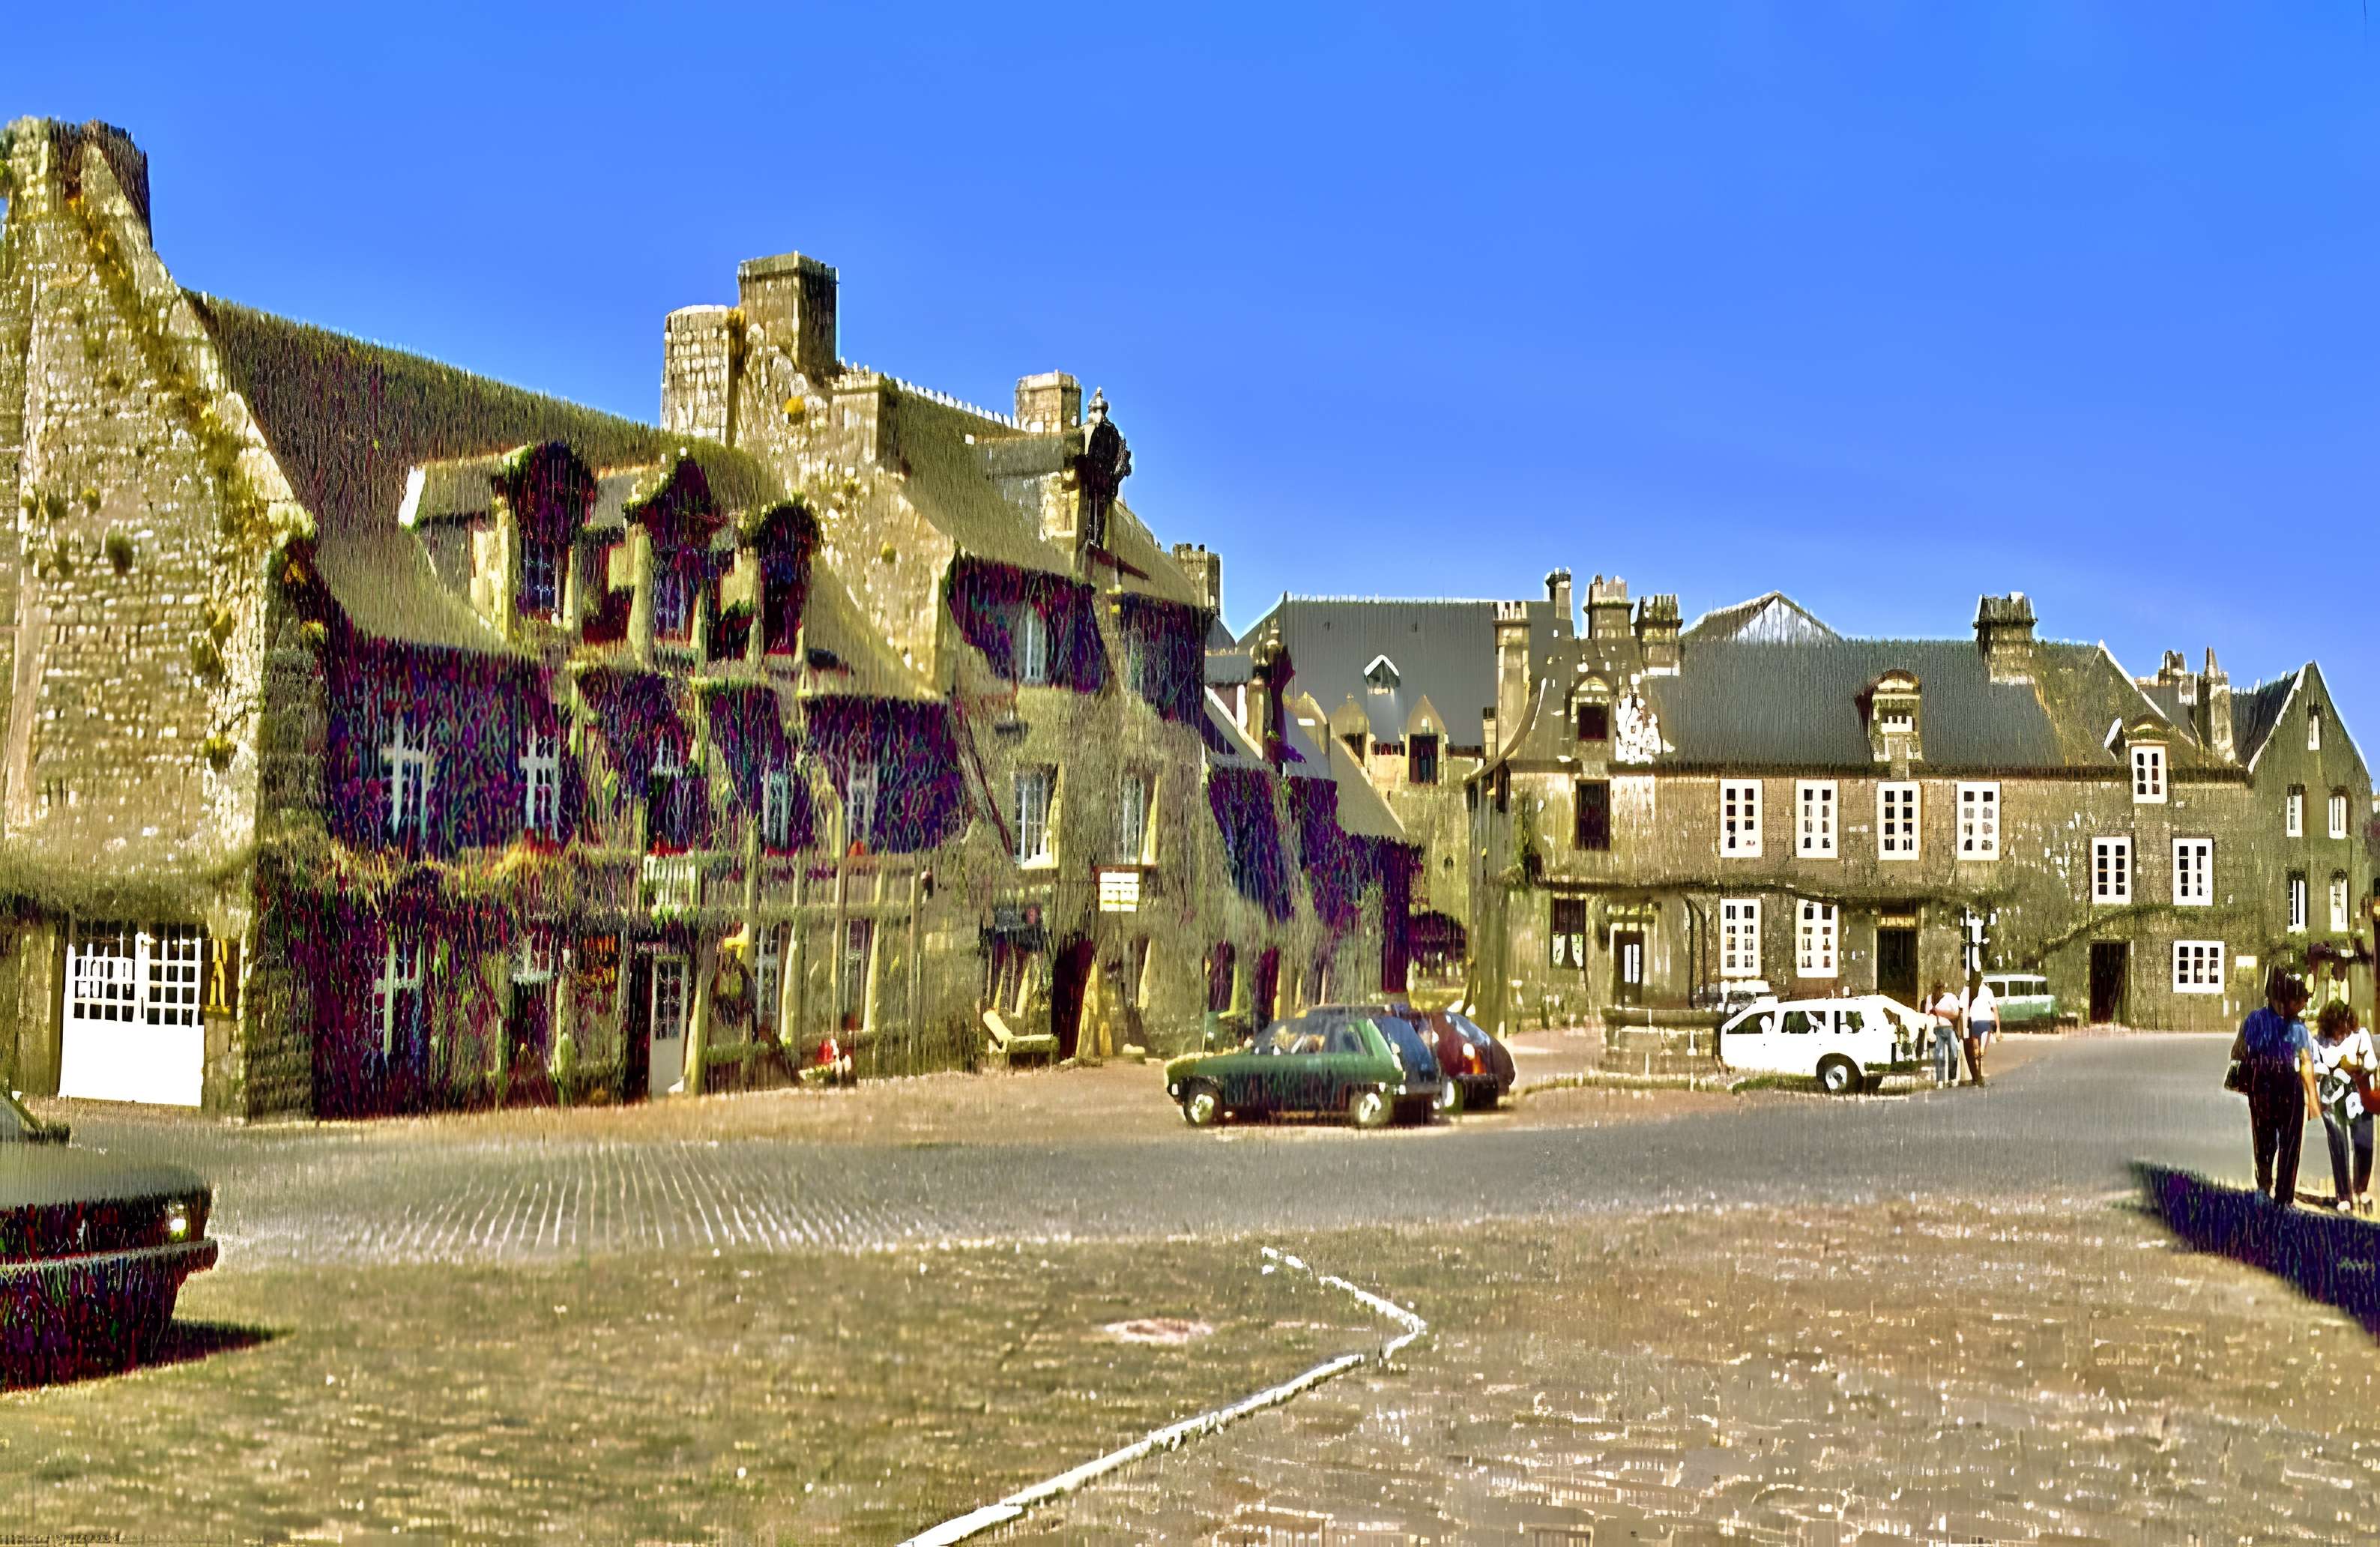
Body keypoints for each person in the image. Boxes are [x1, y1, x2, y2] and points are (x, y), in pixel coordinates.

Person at [2232, 970, 2319, 1207]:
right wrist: (2313, 1098)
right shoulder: (2297, 1028)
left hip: (2260, 1086)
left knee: (2263, 1140)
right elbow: (2306, 1064)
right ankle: (2283, 1198)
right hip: (2287, 1088)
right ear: (2286, 999)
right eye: (2300, 999)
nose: (2303, 1004)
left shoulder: (2253, 1020)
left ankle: (2264, 1189)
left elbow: (2238, 1052)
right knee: (2289, 1144)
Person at [2310, 1001, 2378, 1214]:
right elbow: (2313, 1065)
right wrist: (2332, 1066)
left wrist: (2358, 1066)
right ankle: (2344, 1196)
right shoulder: (2319, 1040)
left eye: (2345, 1026)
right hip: (2332, 1094)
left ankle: (2361, 1190)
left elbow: (2372, 1063)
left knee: (2364, 1142)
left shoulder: (2360, 1035)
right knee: (2339, 1145)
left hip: (2359, 1091)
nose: (2341, 1033)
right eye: (2337, 1027)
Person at [1926, 980, 1964, 1087]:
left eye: (1941, 988)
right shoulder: (1930, 998)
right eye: (1937, 987)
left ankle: (1952, 1077)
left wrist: (1939, 1012)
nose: (1939, 990)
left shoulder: (1949, 998)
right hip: (1937, 1028)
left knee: (1954, 1051)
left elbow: (1956, 1014)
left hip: (1949, 1027)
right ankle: (1940, 1080)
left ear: (1944, 988)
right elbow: (1928, 1013)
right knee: (1940, 1055)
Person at [1963, 975, 1998, 1088]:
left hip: (1977, 1021)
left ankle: (1979, 1076)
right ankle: (1979, 1076)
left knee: (1978, 1051)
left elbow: (1994, 1009)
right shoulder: (1985, 991)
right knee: (1979, 1051)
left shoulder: (1968, 990)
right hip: (1979, 1021)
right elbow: (1995, 1009)